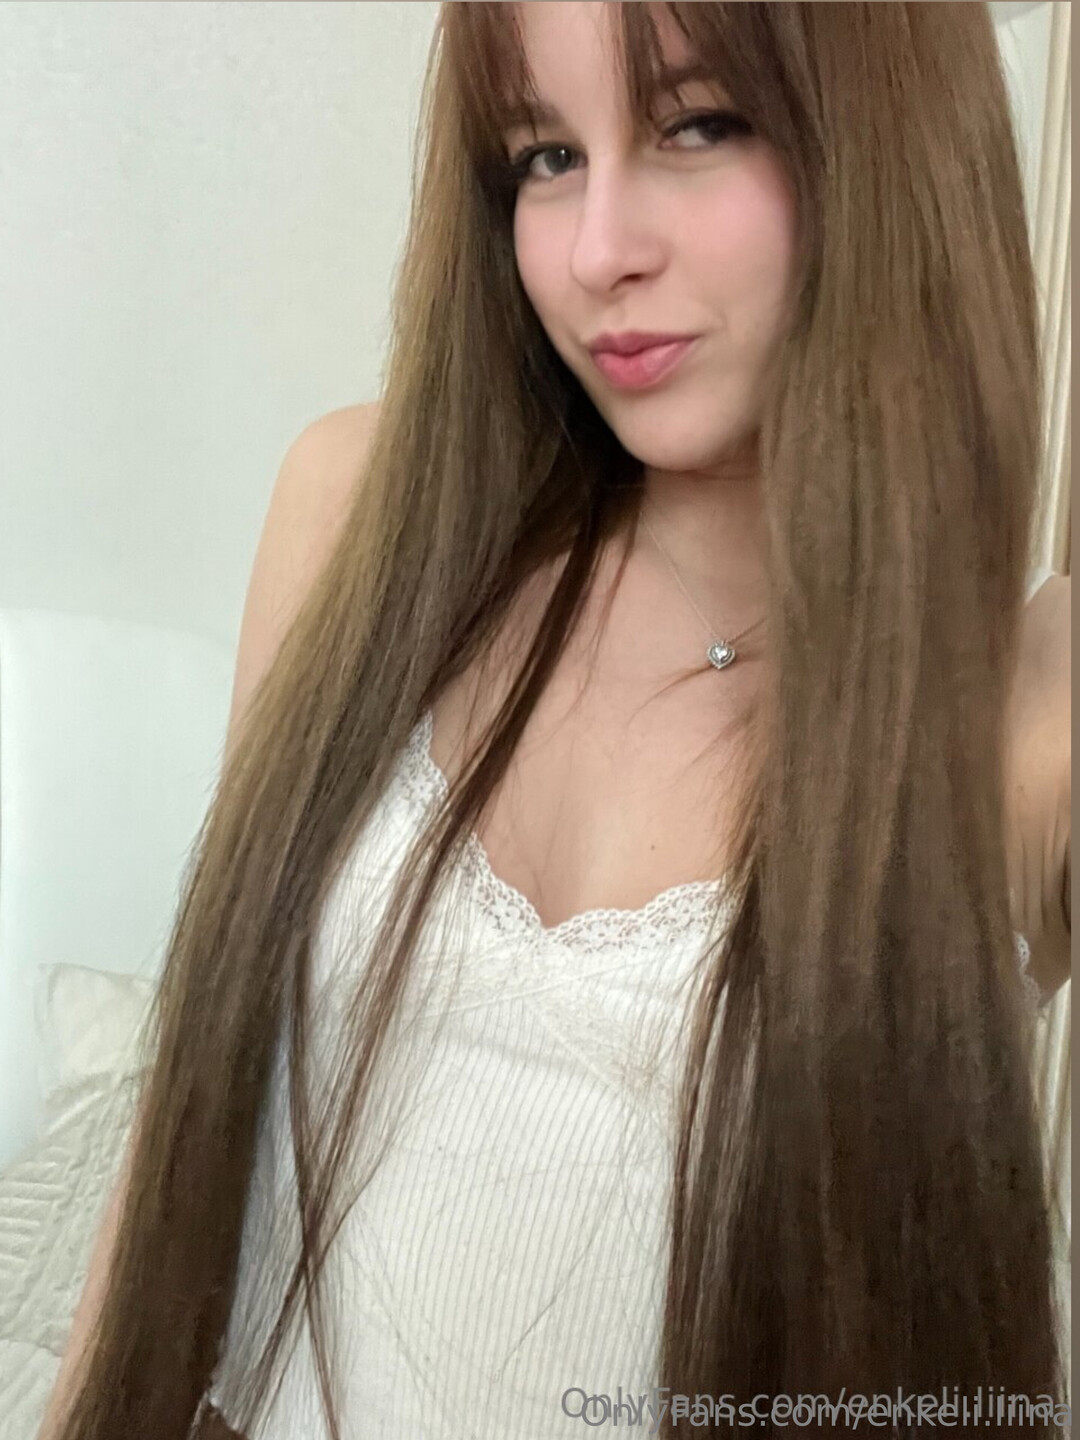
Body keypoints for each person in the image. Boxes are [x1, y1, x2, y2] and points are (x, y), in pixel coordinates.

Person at [37, 4, 1071, 1438]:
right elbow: (192, 1108)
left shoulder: (1021, 713)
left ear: (893, 146)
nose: (596, 253)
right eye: (544, 155)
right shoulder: (357, 517)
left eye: (698, 123)